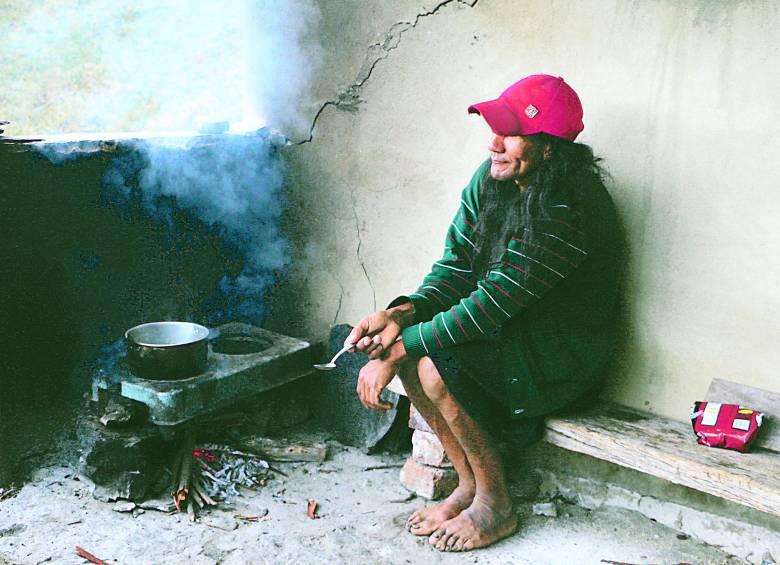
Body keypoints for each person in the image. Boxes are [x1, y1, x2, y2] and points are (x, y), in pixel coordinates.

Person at [347, 74, 621, 552]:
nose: (494, 143)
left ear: (549, 147)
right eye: (495, 129)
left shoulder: (567, 205)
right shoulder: (493, 178)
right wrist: (402, 316)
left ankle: (496, 504)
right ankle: (469, 486)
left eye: (510, 133)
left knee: (431, 367)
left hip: (561, 354)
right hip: (510, 330)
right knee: (419, 357)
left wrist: (398, 348)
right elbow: (457, 267)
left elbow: (493, 300)